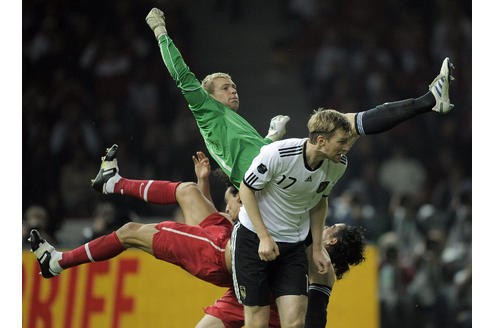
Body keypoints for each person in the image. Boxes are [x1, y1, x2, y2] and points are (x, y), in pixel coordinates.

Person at [145, 7, 453, 327]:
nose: (233, 88)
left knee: (348, 130)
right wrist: (160, 31)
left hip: (277, 185)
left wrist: (267, 137)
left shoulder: (233, 123)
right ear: (206, 95)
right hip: (270, 188)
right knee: (346, 126)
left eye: (234, 84)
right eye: (224, 86)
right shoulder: (204, 108)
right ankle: (429, 101)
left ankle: (429, 101)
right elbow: (182, 75)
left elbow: (244, 156)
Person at [30, 146, 365, 328]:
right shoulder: (323, 272)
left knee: (130, 232)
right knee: (190, 191)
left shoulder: (314, 253)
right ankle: (112, 182)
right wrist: (209, 185)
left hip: (222, 258)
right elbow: (316, 316)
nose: (327, 226)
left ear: (333, 241)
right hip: (239, 272)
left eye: (332, 229)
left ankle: (56, 261)